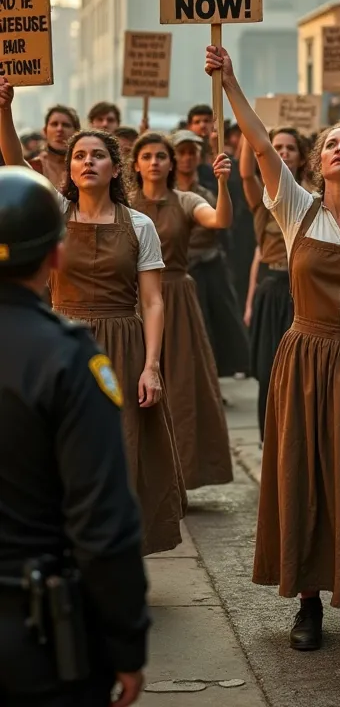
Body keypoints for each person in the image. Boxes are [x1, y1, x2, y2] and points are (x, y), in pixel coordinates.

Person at [206, 45, 340, 652]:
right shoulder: (293, 208)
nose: (337, 150)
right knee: (306, 477)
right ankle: (307, 606)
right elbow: (261, 142)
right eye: (329, 144)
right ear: (317, 162)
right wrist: (231, 79)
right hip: (305, 362)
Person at [0, 79, 185, 556]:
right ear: (70, 166)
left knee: (120, 454)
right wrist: (4, 110)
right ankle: (64, 551)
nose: (87, 161)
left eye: (97, 155)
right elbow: (15, 165)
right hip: (60, 340)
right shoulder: (55, 211)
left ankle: (116, 554)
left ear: (113, 166)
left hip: (122, 346)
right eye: (79, 155)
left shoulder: (139, 224)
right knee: (60, 452)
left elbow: (153, 301)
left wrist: (152, 365)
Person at [0, 167, 148, 707]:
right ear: (56, 257)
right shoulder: (67, 356)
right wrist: (127, 642)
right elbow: (102, 520)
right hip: (34, 633)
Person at [130, 131, 233, 490]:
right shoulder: (125, 205)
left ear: (171, 163)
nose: (155, 162)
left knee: (183, 389)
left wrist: (222, 184)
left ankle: (182, 474)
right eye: (147, 156)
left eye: (161, 156)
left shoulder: (187, 200)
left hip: (177, 299)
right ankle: (141, 474)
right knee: (135, 387)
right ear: (136, 164)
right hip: (135, 302)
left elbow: (219, 220)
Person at [239, 128, 308, 440]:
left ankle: (299, 437)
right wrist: (248, 133)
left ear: (302, 156)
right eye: (276, 146)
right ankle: (271, 440)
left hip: (304, 290)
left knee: (301, 372)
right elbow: (244, 173)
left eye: (290, 147)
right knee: (269, 370)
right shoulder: (262, 201)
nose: (283, 152)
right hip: (272, 287)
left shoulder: (313, 196)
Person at [174, 130, 249, 380]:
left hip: (206, 269)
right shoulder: (161, 195)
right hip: (172, 274)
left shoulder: (207, 194)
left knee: (213, 330)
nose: (186, 158)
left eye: (191, 153)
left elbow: (221, 222)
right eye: (180, 152)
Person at [30, 105, 81, 189]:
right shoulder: (34, 168)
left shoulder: (84, 168)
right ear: (45, 131)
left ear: (76, 133)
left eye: (66, 125)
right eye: (54, 124)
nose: (59, 129)